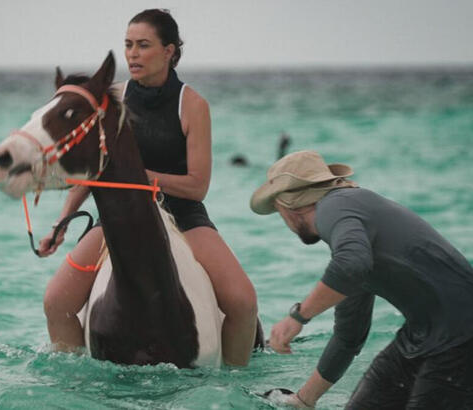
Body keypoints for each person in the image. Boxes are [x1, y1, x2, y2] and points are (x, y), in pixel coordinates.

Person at [38, 9, 258, 366]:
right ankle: (77, 381)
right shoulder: (113, 100)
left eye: (143, 45)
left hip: (184, 216)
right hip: (121, 219)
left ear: (169, 51)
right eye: (127, 45)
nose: (133, 54)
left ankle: (235, 385)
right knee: (56, 302)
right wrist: (62, 222)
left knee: (243, 302)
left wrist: (139, 176)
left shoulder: (193, 105)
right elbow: (91, 170)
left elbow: (197, 186)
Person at [250, 150, 473, 409]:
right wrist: (303, 399)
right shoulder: (353, 231)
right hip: (424, 335)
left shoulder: (334, 207)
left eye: (277, 211)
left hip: (461, 337)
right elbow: (349, 336)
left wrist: (297, 318)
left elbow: (351, 265)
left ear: (287, 206)